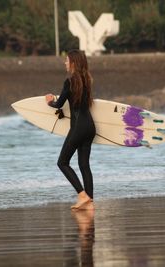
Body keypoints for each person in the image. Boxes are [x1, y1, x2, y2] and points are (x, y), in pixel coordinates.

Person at [45, 49, 96, 210]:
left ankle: (82, 195)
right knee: (84, 165)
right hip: (90, 127)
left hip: (78, 128)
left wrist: (49, 101)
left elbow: (59, 104)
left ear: (73, 62)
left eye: (66, 60)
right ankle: (90, 202)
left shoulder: (70, 81)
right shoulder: (87, 80)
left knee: (62, 162)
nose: (65, 63)